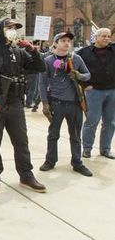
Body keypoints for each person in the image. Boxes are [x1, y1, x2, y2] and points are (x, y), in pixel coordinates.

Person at [0, 18, 47, 194]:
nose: (13, 30)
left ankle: (26, 175)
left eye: (15, 28)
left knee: (21, 141)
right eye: (9, 27)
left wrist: (32, 49)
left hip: (15, 104)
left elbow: (39, 67)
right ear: (1, 30)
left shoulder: (19, 52)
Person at [38, 32, 92, 176]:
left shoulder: (76, 59)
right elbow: (42, 83)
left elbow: (88, 74)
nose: (67, 43)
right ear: (55, 43)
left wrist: (79, 75)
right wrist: (44, 104)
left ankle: (77, 162)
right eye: (63, 40)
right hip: (56, 102)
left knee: (75, 136)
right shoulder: (48, 60)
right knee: (53, 134)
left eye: (68, 41)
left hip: (74, 104)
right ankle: (50, 160)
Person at [77, 28, 115, 159]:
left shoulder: (113, 49)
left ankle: (105, 149)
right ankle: (87, 148)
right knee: (92, 121)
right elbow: (75, 70)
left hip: (112, 91)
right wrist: (85, 85)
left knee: (110, 122)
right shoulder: (83, 53)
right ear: (96, 37)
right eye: (104, 36)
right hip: (94, 92)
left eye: (108, 36)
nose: (106, 38)